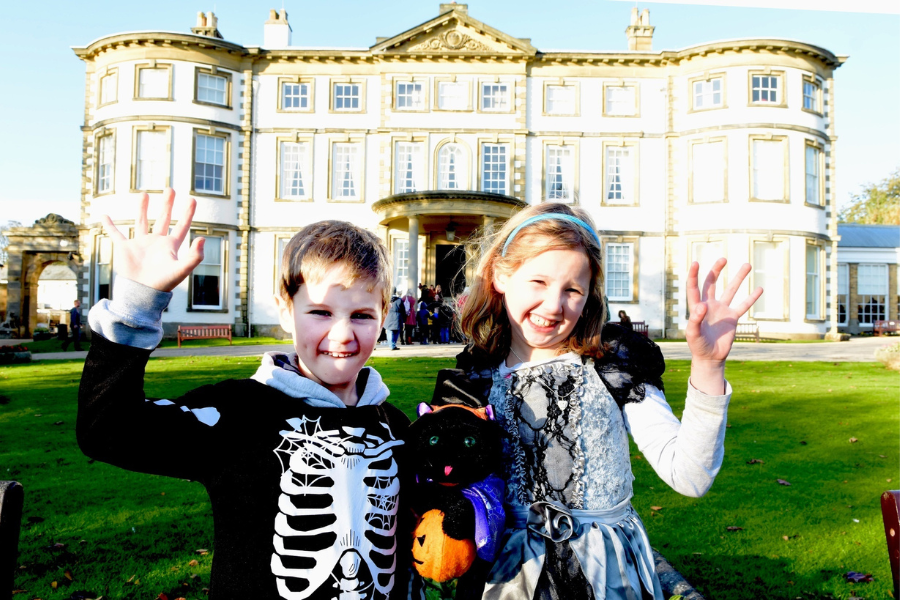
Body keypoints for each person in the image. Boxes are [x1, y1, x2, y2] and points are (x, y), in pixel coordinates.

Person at [77, 190, 410, 599]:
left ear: (384, 318)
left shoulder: (395, 427)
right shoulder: (238, 414)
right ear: (285, 310)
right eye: (320, 312)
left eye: (361, 316)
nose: (341, 334)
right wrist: (135, 307)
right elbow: (109, 429)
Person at [441, 203, 762, 599]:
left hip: (607, 577)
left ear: (589, 294)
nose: (554, 305)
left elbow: (691, 476)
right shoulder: (473, 380)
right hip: (507, 581)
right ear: (501, 276)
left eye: (572, 289)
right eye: (538, 282)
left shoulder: (611, 363)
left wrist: (709, 366)